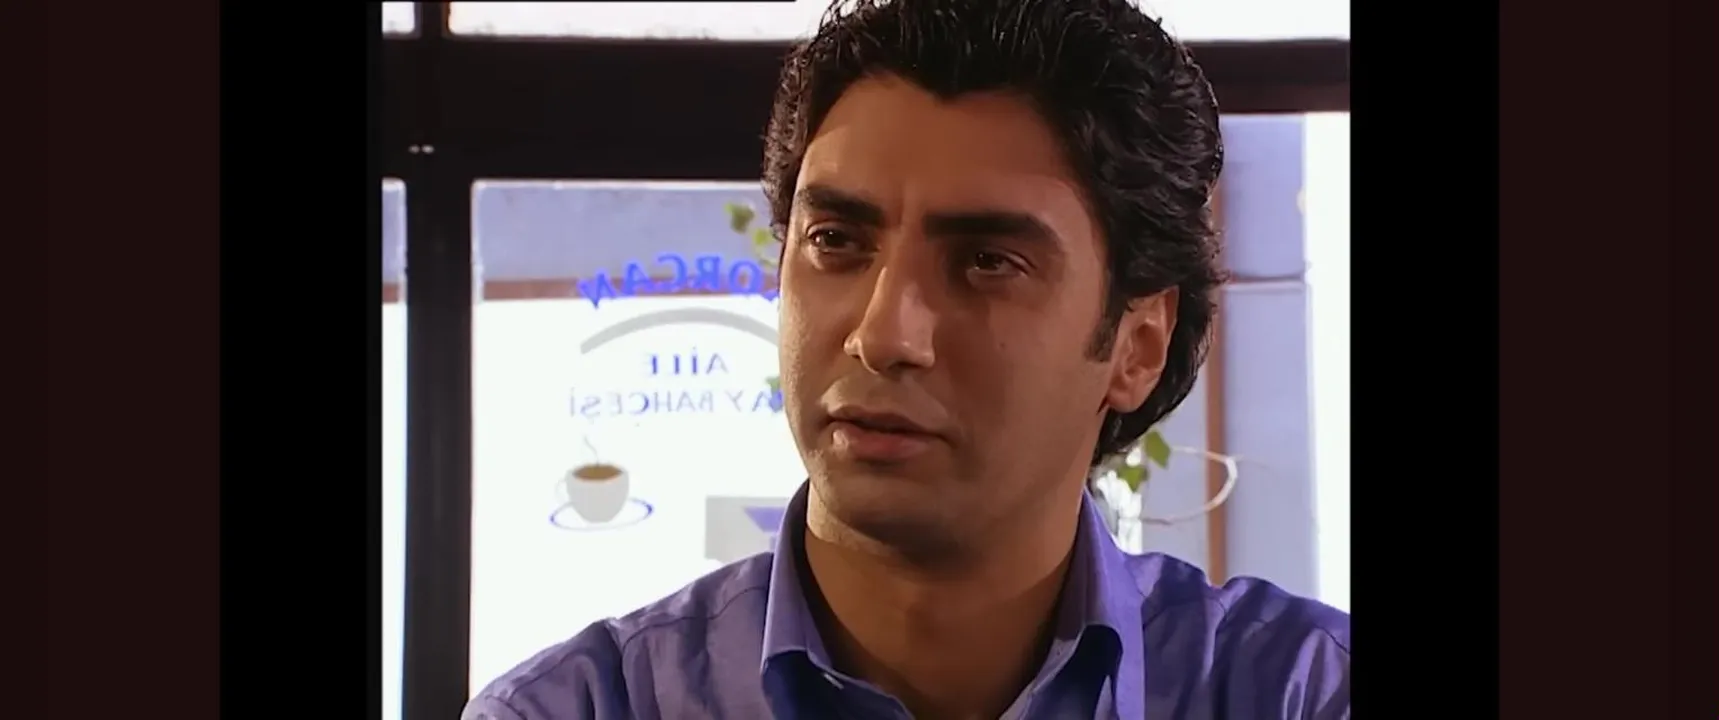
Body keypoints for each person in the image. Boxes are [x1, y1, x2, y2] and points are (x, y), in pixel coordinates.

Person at [464, 0, 1350, 716]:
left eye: (987, 262)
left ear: (1135, 343)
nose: (884, 334)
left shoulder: (1299, 694)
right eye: (835, 241)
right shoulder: (582, 706)